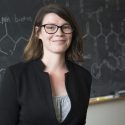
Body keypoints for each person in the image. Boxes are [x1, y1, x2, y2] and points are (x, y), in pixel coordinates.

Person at [0, 3, 92, 125]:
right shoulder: (15, 76)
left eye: (66, 27)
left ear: (72, 32)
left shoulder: (84, 77)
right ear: (38, 32)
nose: (59, 33)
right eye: (50, 27)